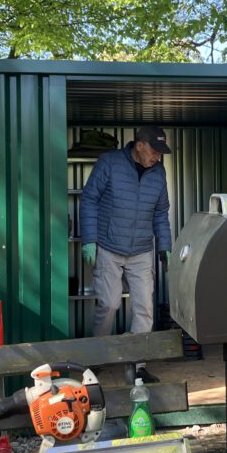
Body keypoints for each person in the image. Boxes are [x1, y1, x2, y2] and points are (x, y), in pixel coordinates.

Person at [80, 126, 173, 384]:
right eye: (154, 150)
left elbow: (160, 212)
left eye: (160, 152)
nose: (157, 157)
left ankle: (137, 365)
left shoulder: (158, 172)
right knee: (109, 304)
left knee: (145, 309)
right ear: (139, 145)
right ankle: (96, 357)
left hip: (141, 250)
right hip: (109, 246)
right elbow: (89, 199)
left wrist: (165, 245)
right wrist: (89, 240)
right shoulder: (109, 163)